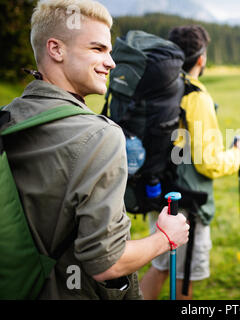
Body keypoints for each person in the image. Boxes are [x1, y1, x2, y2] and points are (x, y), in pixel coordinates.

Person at [1, 0, 189, 299]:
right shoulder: (100, 135)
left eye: (110, 51)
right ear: (56, 49)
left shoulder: (7, 117)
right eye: (98, 49)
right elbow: (107, 263)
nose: (112, 62)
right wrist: (166, 237)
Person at [140, 25, 240, 300]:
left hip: (160, 193)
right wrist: (237, 154)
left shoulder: (162, 88)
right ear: (201, 58)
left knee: (160, 266)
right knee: (184, 280)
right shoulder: (196, 96)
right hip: (189, 205)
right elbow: (207, 162)